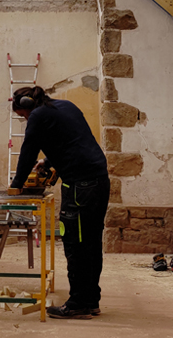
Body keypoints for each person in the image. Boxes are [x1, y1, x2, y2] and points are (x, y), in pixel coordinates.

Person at [9, 86, 110, 319]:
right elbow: (71, 140)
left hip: (80, 186)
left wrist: (17, 185)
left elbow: (27, 151)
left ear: (26, 106)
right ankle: (90, 300)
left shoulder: (37, 115)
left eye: (21, 115)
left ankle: (78, 304)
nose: (24, 119)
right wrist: (48, 160)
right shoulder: (66, 106)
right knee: (91, 242)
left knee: (75, 243)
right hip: (97, 181)